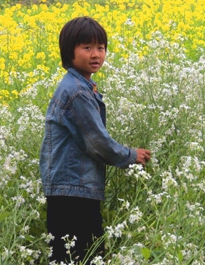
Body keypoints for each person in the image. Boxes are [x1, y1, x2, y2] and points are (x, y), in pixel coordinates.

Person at [39, 16, 152, 264]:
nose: (96, 54)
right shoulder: (77, 91)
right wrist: (130, 156)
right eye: (87, 47)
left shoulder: (82, 86)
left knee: (69, 253)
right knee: (83, 254)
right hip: (73, 190)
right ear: (69, 52)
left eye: (101, 48)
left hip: (70, 187)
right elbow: (97, 142)